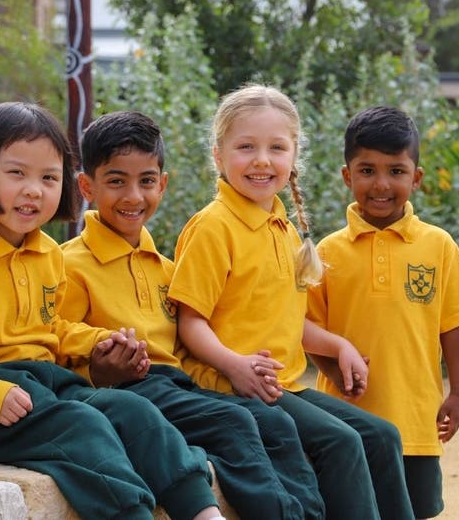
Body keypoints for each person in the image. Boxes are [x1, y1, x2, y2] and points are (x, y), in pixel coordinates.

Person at [0, 102, 226, 520]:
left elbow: (52, 327)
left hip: (43, 382)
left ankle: (201, 511)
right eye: (17, 173)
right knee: (81, 427)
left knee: (133, 409)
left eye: (49, 178)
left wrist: (98, 340)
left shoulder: (46, 253)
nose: (35, 190)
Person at [59, 110, 324, 519]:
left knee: (273, 423)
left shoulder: (164, 269)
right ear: (86, 186)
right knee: (233, 422)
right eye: (116, 181)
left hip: (178, 388)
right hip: (127, 394)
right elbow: (54, 334)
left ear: (162, 185)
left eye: (146, 181)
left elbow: (184, 347)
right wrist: (99, 347)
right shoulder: (69, 265)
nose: (133, 196)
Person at [167, 84, 416, 520]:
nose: (262, 160)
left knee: (381, 435)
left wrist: (338, 346)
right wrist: (233, 364)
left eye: (276, 148)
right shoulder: (213, 228)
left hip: (282, 386)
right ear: (219, 156)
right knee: (341, 442)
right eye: (246, 146)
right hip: (230, 387)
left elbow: (285, 317)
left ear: (293, 155)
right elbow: (191, 323)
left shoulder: (280, 225)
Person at [306, 105, 459, 519]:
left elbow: (455, 325)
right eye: (367, 171)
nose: (382, 184)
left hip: (416, 424)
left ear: (416, 178)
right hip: (344, 427)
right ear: (347, 176)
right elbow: (306, 328)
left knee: (415, 511)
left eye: (396, 171)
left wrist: (458, 393)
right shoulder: (327, 253)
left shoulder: (438, 246)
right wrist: (334, 371)